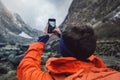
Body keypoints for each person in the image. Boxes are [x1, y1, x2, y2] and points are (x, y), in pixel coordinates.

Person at [17, 25, 120, 80]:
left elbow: (25, 69)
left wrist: (41, 41)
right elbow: (81, 50)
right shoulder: (110, 72)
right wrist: (63, 38)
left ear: (62, 49)